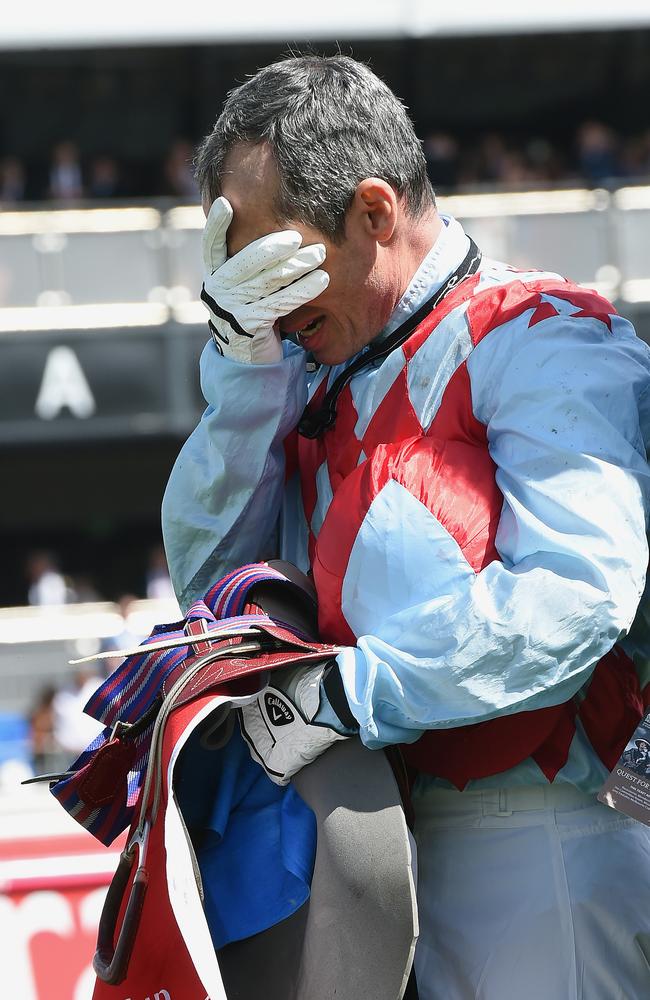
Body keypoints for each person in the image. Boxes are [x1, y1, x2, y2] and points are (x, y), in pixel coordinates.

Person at [162, 54, 650, 999]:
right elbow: (212, 587)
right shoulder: (307, 376)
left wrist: (347, 695)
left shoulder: (544, 337)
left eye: (277, 263)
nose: (264, 300)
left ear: (375, 214)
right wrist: (245, 368)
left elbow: (576, 594)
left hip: (549, 847)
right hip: (375, 865)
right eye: (241, 274)